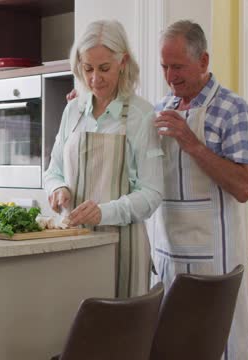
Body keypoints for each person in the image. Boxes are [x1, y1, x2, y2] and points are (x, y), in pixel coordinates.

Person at [151, 20, 248, 360]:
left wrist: (191, 143)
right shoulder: (160, 109)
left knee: (215, 345)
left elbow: (243, 187)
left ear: (204, 61)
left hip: (215, 261)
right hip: (168, 255)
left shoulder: (232, 109)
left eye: (178, 66)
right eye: (165, 66)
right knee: (172, 345)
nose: (170, 76)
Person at [44, 19, 164, 299]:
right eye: (88, 69)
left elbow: (152, 193)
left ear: (122, 62)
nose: (95, 79)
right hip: (71, 245)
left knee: (119, 336)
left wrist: (104, 212)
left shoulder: (141, 115)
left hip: (124, 250)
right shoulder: (72, 111)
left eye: (104, 68)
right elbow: (53, 171)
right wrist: (57, 189)